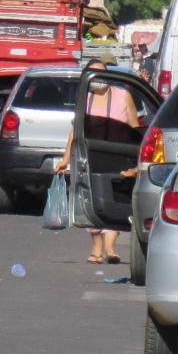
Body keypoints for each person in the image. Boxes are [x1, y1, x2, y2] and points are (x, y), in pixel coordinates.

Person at [53, 60, 141, 265]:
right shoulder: (86, 99)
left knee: (115, 199)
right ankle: (96, 247)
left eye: (101, 74)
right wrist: (66, 158)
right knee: (92, 200)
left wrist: (136, 154)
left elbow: (134, 126)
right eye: (93, 75)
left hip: (118, 154)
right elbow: (76, 131)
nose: (98, 80)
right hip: (91, 157)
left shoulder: (123, 95)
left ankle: (110, 247)